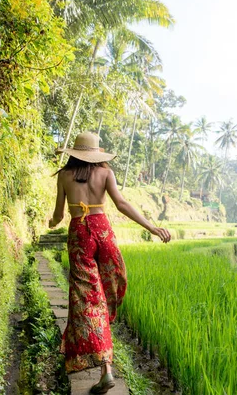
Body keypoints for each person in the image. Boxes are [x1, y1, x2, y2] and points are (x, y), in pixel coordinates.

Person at [49, 132, 171, 393]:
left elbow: (58, 215)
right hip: (103, 231)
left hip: (79, 233)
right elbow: (122, 203)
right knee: (105, 291)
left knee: (86, 297)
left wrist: (52, 222)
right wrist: (151, 227)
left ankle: (102, 363)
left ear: (74, 153)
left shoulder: (64, 175)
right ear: (96, 154)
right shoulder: (106, 173)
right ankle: (106, 367)